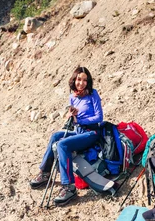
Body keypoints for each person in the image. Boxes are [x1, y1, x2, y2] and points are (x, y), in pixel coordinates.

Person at [30, 66, 103, 205]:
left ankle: (69, 186)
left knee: (62, 145)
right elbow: (76, 119)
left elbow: (99, 117)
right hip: (78, 131)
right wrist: (72, 115)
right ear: (74, 80)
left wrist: (80, 120)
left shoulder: (93, 94)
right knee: (55, 136)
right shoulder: (72, 96)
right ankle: (44, 173)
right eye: (78, 79)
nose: (81, 83)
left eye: (84, 80)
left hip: (91, 133)